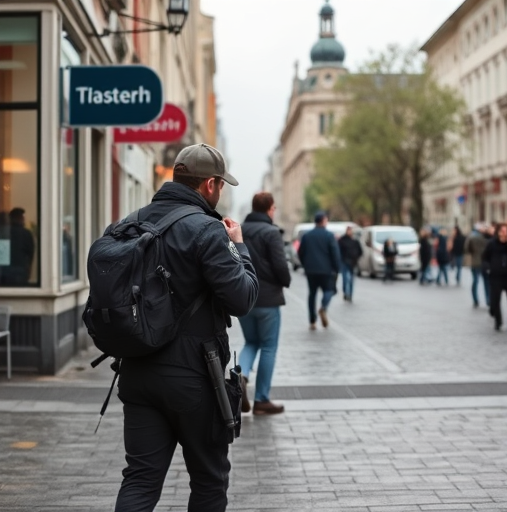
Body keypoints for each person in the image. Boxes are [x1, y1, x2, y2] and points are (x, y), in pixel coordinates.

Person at [114, 143, 259, 512]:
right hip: (195, 376)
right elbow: (242, 299)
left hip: (137, 370)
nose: (221, 191)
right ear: (209, 184)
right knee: (209, 480)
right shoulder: (208, 230)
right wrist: (239, 248)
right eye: (221, 185)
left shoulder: (128, 224)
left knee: (141, 478)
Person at [238, 192, 291, 415]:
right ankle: (261, 400)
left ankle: (240, 376)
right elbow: (280, 265)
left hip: (243, 298)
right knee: (268, 346)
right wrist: (285, 281)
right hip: (268, 299)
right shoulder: (271, 232)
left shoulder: (238, 230)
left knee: (251, 342)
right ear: (269, 208)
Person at [298, 211, 340, 330]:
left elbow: (301, 252)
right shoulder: (329, 235)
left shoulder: (307, 236)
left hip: (311, 271)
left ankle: (312, 321)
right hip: (326, 270)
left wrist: (305, 265)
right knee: (329, 290)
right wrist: (337, 268)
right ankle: (323, 307)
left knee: (312, 294)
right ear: (323, 220)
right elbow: (335, 253)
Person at [482, 223, 507, 331]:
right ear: (498, 232)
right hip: (496, 276)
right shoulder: (492, 244)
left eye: (505, 231)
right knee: (495, 301)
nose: (504, 234)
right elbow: (485, 257)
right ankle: (498, 322)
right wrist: (487, 268)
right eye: (501, 231)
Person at [3, 207, 35, 286]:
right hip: (21, 272)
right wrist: (28, 270)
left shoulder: (4, 232)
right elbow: (30, 254)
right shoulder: (26, 233)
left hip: (4, 272)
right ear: (21, 218)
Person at [464, 223, 490, 308]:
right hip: (485, 262)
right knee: (486, 281)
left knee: (475, 280)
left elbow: (467, 248)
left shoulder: (472, 237)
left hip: (475, 261)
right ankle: (488, 299)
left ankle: (475, 299)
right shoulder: (486, 238)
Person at [337, 225, 362, 301]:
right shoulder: (342, 240)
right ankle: (345, 292)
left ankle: (349, 294)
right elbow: (338, 251)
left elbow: (360, 251)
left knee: (351, 280)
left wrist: (356, 257)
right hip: (344, 262)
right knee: (345, 279)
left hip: (353, 262)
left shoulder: (355, 241)